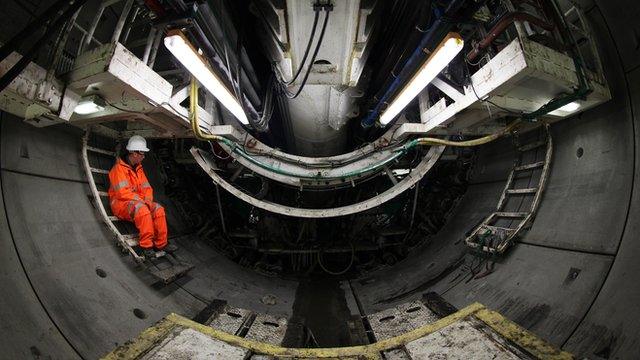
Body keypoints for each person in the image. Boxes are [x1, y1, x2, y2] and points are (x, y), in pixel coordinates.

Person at [107, 135, 177, 257]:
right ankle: (146, 246)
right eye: (142, 154)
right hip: (120, 203)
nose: (144, 157)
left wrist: (148, 201)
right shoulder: (118, 169)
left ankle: (161, 243)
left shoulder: (139, 168)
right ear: (134, 153)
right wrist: (142, 202)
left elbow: (147, 188)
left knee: (158, 209)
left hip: (138, 201)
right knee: (143, 210)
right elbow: (122, 193)